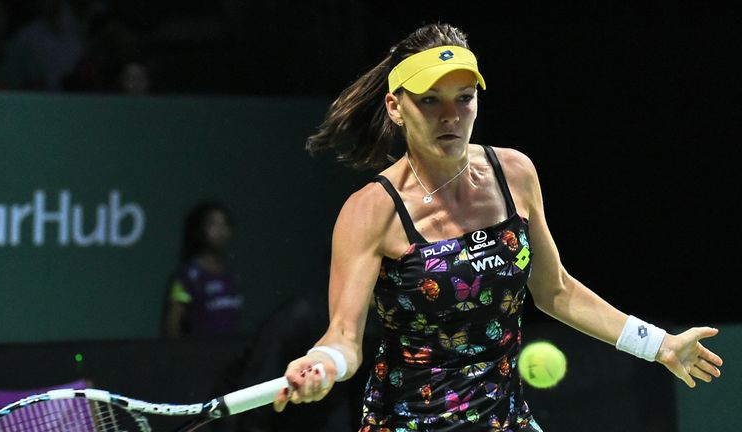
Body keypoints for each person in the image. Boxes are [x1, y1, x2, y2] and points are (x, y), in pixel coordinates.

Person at [270, 23, 724, 431]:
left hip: (505, 419)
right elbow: (345, 337)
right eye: (429, 100)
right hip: (408, 423)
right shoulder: (370, 211)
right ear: (395, 106)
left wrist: (658, 345)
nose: (450, 115)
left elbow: (555, 290)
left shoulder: (514, 173)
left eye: (464, 98)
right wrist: (323, 362)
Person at [161, 201, 243, 338]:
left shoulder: (231, 276)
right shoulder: (187, 277)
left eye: (225, 224)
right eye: (213, 224)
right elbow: (173, 322)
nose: (221, 231)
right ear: (198, 230)